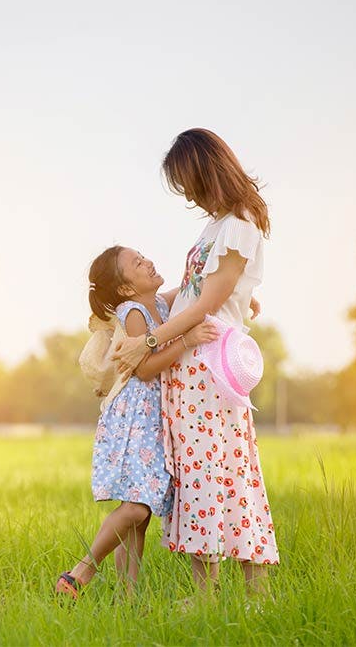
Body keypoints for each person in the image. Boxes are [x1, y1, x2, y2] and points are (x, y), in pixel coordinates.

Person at [112, 128, 280, 603]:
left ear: (207, 171)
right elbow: (201, 290)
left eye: (188, 183)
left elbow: (209, 300)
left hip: (206, 363)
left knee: (217, 472)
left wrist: (150, 339)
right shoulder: (219, 223)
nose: (188, 195)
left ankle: (229, 595)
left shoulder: (239, 222)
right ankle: (226, 594)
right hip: (190, 364)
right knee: (206, 471)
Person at [55, 245, 218, 600]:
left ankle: (127, 598)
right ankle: (82, 570)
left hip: (151, 420)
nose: (148, 261)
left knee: (140, 518)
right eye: (138, 263)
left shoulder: (159, 305)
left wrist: (240, 297)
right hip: (135, 420)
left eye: (143, 256)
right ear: (126, 289)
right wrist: (187, 340)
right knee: (137, 506)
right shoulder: (133, 313)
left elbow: (196, 294)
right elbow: (144, 370)